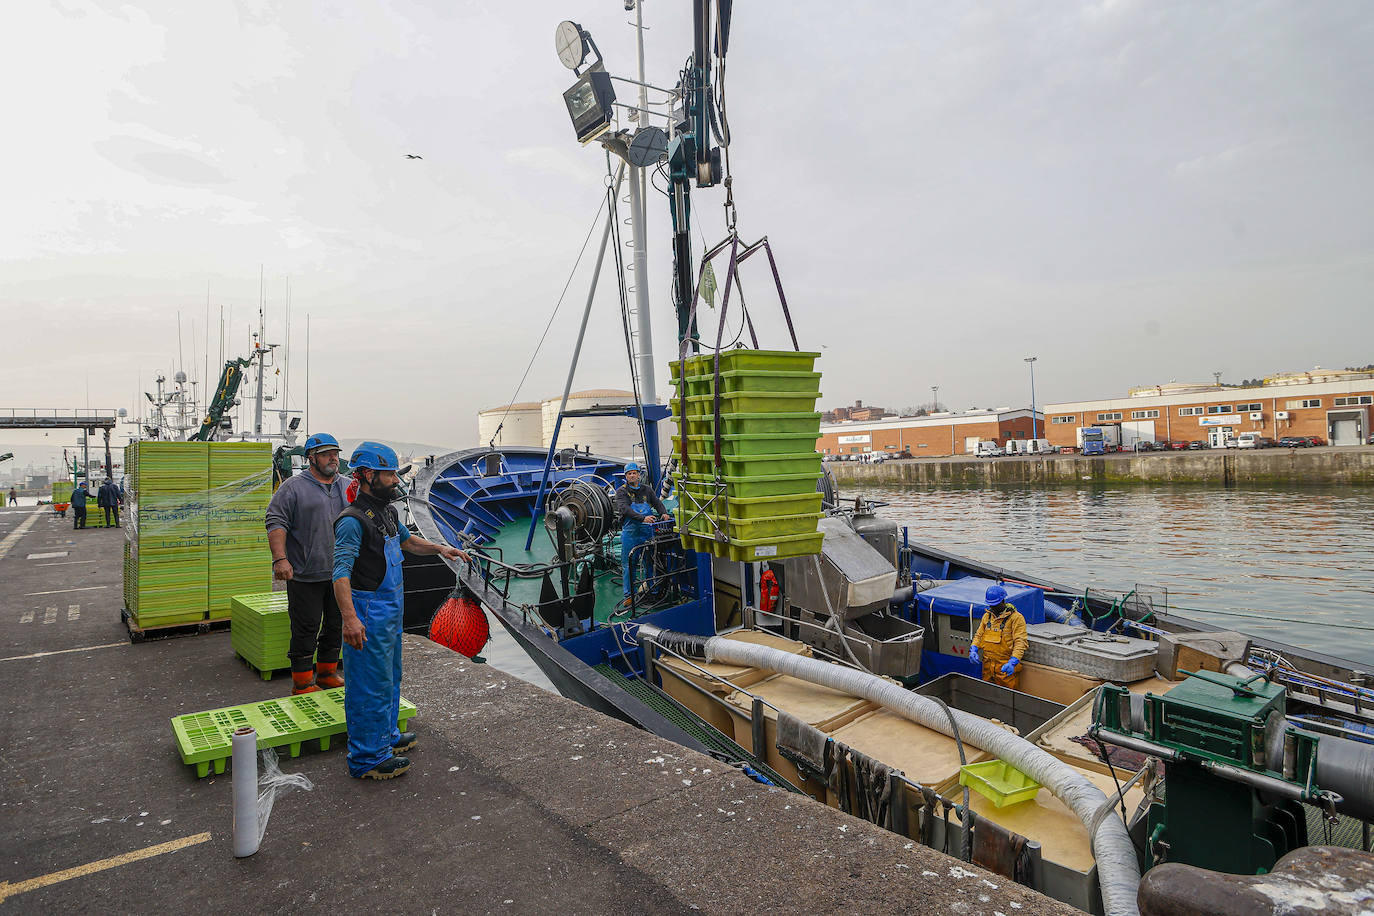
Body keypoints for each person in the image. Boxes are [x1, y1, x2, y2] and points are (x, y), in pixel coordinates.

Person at [333, 441, 469, 780]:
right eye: (389, 473)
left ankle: (388, 737)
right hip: (368, 611)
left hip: (390, 611)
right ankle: (367, 758)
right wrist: (350, 619)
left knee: (390, 678)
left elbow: (408, 542)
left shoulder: (388, 512)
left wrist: (442, 548)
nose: (396, 480)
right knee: (368, 685)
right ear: (366, 475)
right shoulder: (351, 522)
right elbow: (340, 574)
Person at [265, 433, 351, 695]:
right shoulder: (292, 487)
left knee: (336, 625)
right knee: (306, 627)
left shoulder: (347, 485)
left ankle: (327, 673)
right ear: (311, 458)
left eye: (335, 453)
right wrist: (280, 559)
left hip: (340, 574)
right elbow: (276, 521)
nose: (333, 459)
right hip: (305, 573)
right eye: (326, 454)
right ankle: (302, 681)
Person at [613, 461, 668, 602]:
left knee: (650, 562)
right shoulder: (621, 492)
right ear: (626, 476)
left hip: (647, 533)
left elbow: (657, 502)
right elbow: (625, 509)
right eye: (629, 473)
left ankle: (652, 590)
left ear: (639, 475)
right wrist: (642, 518)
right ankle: (628, 596)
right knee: (629, 564)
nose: (632, 476)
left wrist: (663, 512)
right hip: (631, 534)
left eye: (634, 473)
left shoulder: (647, 490)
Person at [969, 584, 1029, 690]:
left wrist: (1013, 662)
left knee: (1008, 698)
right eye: (990, 605)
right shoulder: (987, 617)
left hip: (1005, 668)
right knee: (988, 694)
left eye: (995, 605)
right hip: (987, 667)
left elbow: (1020, 642)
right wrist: (973, 649)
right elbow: (979, 635)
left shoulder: (1016, 618)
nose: (992, 607)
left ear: (1002, 601)